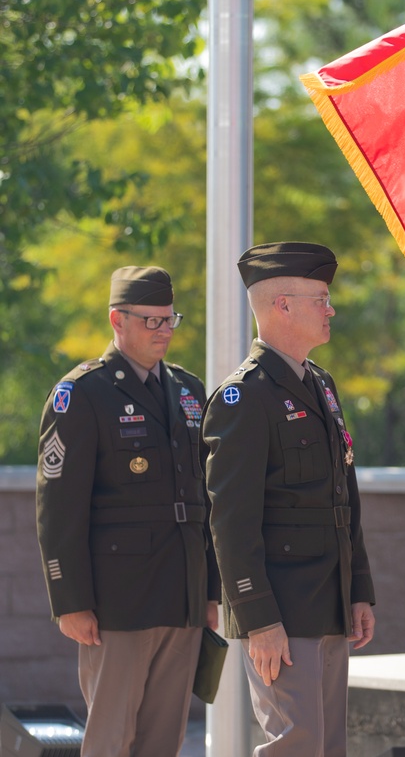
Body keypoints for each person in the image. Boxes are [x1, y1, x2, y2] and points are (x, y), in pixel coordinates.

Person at [36, 265, 220, 757]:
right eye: (150, 321)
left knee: (165, 740)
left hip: (181, 595)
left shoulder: (187, 390)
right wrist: (70, 601)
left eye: (169, 320)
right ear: (117, 320)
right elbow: (59, 508)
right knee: (112, 740)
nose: (163, 331)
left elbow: (204, 499)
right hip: (117, 603)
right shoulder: (82, 393)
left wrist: (210, 591)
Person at [203, 241, 375, 757]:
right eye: (321, 298)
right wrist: (258, 619)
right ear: (283, 305)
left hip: (329, 599)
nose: (331, 309)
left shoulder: (320, 385)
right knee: (295, 745)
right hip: (281, 609)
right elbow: (230, 523)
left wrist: (359, 589)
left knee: (328, 746)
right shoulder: (243, 396)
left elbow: (344, 498)